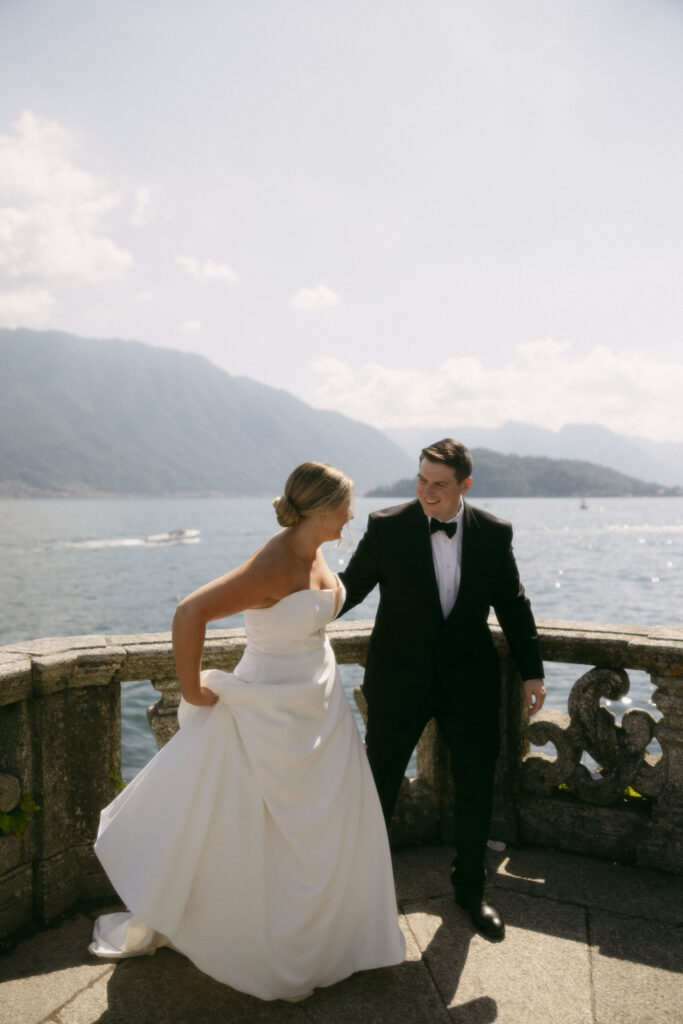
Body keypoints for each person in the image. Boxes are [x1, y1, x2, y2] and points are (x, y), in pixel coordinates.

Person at [89, 462, 405, 1002]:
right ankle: (268, 943)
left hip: (318, 707)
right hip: (267, 711)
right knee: (258, 828)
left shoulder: (316, 549)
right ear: (323, 510)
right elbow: (191, 611)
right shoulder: (274, 563)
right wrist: (192, 691)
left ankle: (336, 937)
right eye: (347, 506)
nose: (352, 515)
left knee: (327, 824)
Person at [339, 439, 545, 941]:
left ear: (464, 486)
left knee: (477, 785)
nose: (427, 492)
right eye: (421, 480)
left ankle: (471, 890)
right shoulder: (386, 526)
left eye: (440, 484)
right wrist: (289, 613)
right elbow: (350, 588)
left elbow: (513, 605)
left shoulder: (495, 534)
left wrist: (533, 671)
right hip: (397, 679)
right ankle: (357, 892)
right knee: (379, 784)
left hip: (469, 682)